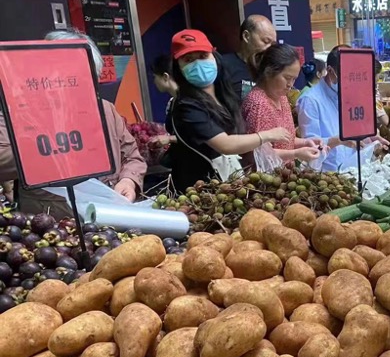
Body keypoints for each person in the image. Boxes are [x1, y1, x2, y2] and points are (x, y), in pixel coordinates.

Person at [12, 30, 147, 217]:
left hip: (108, 214)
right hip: (51, 220)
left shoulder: (105, 109)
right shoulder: (20, 111)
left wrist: (128, 181)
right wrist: (47, 140)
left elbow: (132, 156)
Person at [166, 29, 287, 192]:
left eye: (203, 56)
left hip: (230, 186)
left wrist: (294, 152)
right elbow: (225, 144)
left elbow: (242, 141)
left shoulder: (225, 96)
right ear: (178, 68)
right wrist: (267, 135)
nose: (198, 65)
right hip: (201, 193)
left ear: (214, 57)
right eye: (188, 60)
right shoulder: (186, 106)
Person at [241, 44, 322, 172]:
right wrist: (296, 153)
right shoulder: (258, 104)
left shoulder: (282, 97)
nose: (290, 84)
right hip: (265, 181)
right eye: (287, 78)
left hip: (285, 175)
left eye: (294, 79)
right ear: (269, 72)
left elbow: (284, 141)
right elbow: (259, 155)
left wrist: (305, 143)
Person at [297, 47, 388, 151]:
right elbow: (310, 146)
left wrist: (367, 136)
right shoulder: (310, 100)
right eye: (345, 78)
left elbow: (354, 127)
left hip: (351, 163)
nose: (349, 83)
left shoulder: (348, 94)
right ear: (330, 71)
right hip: (328, 166)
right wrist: (336, 141)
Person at [221, 15, 277, 102]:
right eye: (266, 41)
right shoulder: (223, 65)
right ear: (246, 36)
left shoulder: (272, 68)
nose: (269, 48)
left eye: (273, 44)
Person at [149, 54, 178, 149]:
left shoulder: (190, 102)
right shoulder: (172, 103)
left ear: (165, 76)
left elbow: (198, 135)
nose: (154, 81)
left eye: (155, 77)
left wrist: (170, 139)